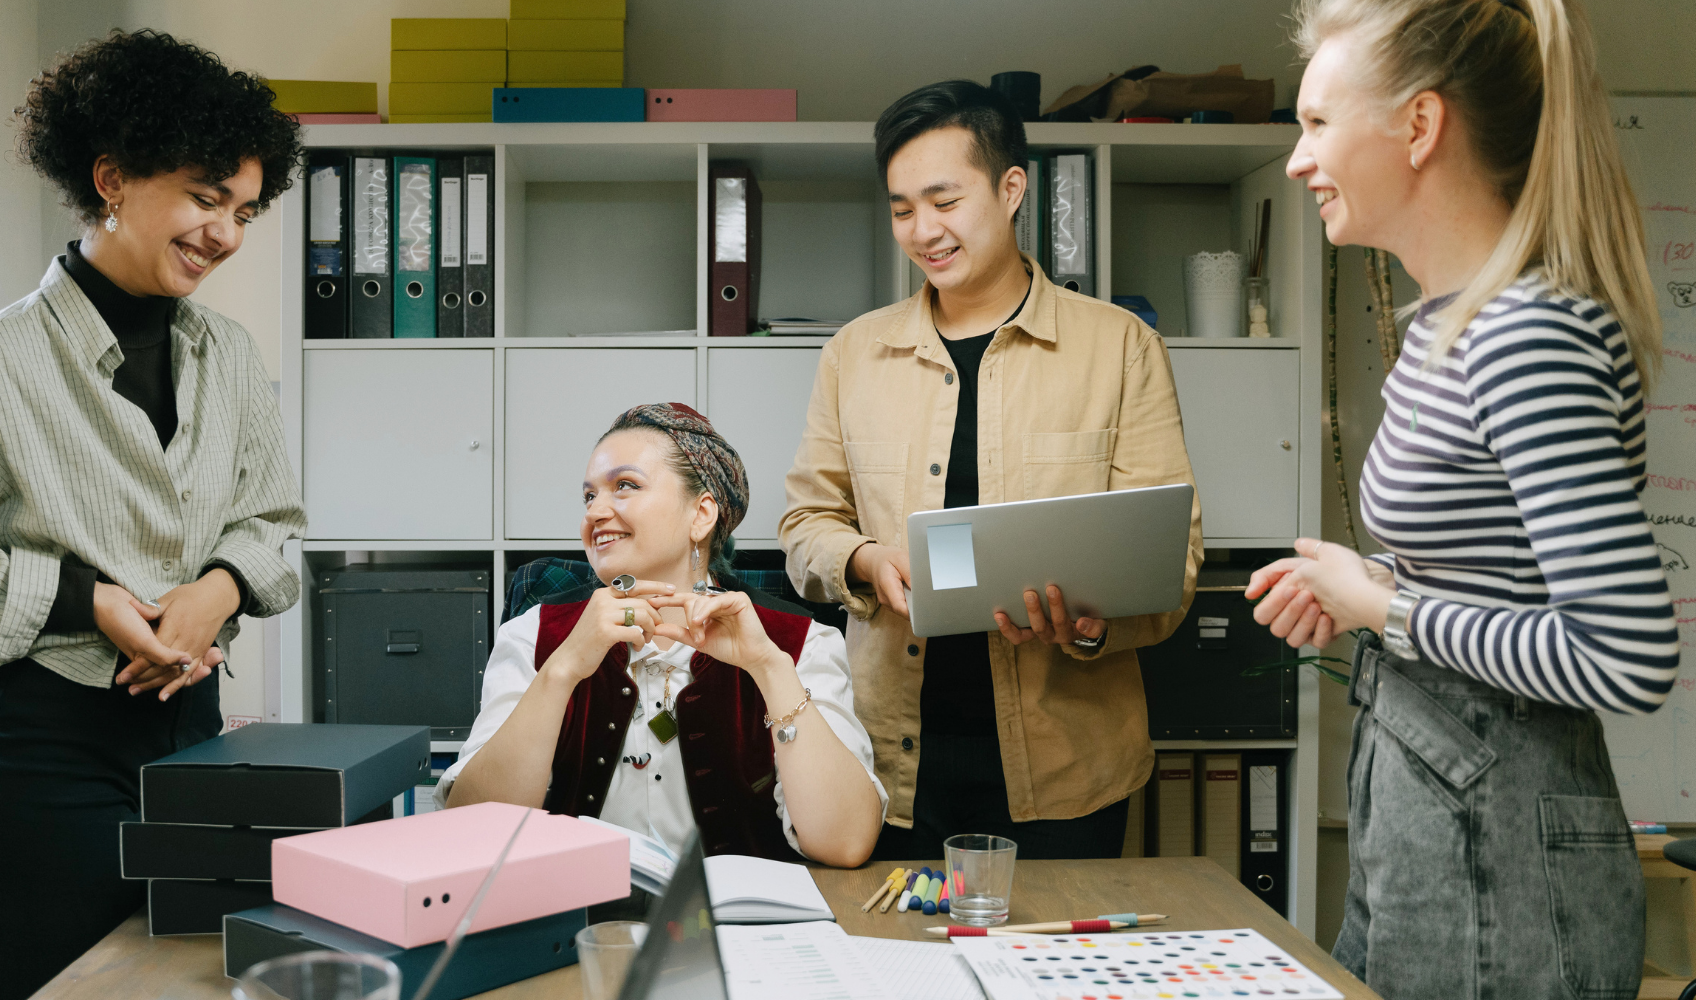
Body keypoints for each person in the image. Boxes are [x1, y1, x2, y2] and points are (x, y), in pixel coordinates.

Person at [0, 30, 306, 1000]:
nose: (224, 231)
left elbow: (274, 528)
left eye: (242, 210)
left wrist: (215, 591)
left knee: (201, 992)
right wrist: (82, 600)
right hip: (37, 760)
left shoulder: (230, 354)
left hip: (197, 743)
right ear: (112, 177)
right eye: (202, 195)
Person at [1244, 0, 1675, 995]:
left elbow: (1626, 653)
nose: (1295, 161)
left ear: (1418, 126)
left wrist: (1382, 606)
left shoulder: (1522, 335)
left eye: (1314, 124)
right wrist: (1368, 586)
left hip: (1504, 862)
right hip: (1429, 824)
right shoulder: (1450, 331)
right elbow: (1506, 572)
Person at [779, 81, 1202, 862]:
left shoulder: (1119, 347)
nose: (922, 230)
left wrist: (1090, 622)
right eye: (902, 208)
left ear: (1012, 189)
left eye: (944, 200)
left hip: (1069, 767)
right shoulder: (853, 354)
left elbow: (1170, 563)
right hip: (886, 760)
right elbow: (806, 526)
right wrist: (866, 561)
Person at [439, 403, 885, 867]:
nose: (596, 512)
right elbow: (473, 831)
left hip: (738, 932)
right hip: (579, 932)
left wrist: (770, 669)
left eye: (625, 486)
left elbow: (846, 843)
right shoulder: (532, 636)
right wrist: (563, 670)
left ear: (701, 514)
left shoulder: (800, 642)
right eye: (589, 496)